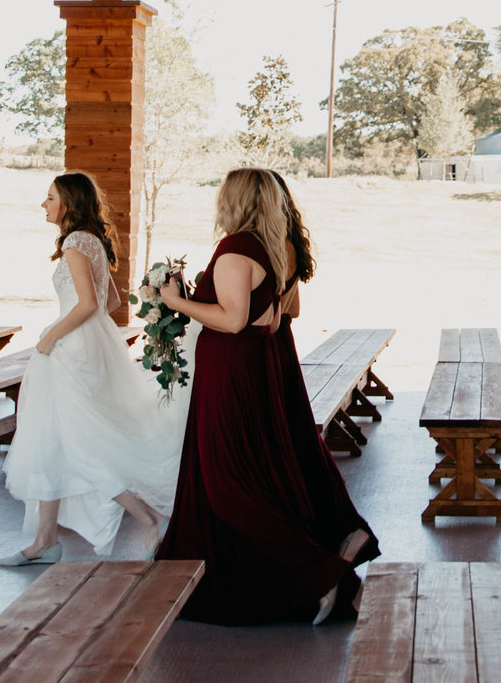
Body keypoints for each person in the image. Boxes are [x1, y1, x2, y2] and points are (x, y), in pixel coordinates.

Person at [156, 167, 365, 625]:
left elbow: (231, 321)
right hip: (247, 370)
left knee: (227, 483)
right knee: (240, 475)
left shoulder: (234, 249)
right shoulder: (273, 249)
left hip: (228, 375)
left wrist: (175, 303)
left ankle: (319, 573)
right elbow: (270, 319)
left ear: (234, 199)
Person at [0, 172, 182, 565]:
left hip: (70, 352)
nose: (43, 205)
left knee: (83, 444)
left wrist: (53, 335)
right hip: (86, 345)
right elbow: (112, 299)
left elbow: (88, 305)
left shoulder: (73, 243)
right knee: (53, 438)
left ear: (68, 203)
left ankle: (148, 518)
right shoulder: (91, 241)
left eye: (49, 198)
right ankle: (45, 540)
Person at [265, 170, 378, 567]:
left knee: (292, 438)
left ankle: (329, 531)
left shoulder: (278, 245)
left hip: (272, 345)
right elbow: (290, 307)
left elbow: (276, 312)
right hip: (279, 343)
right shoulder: (284, 241)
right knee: (294, 437)